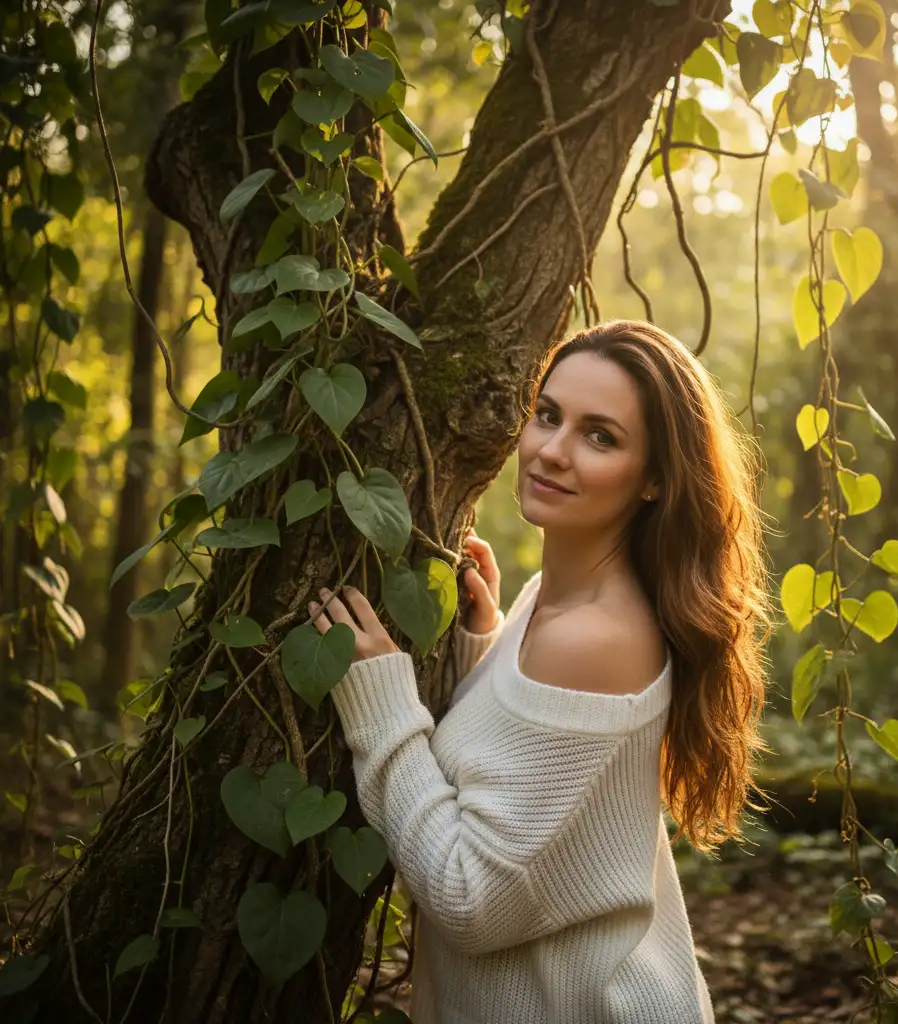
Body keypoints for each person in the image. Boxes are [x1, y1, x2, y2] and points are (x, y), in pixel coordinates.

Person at [311, 319, 774, 1023]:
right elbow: (538, 786)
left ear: (652, 480)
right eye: (548, 416)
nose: (551, 452)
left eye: (600, 436)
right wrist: (483, 646)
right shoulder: (554, 603)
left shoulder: (594, 638)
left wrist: (381, 706)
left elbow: (468, 897)